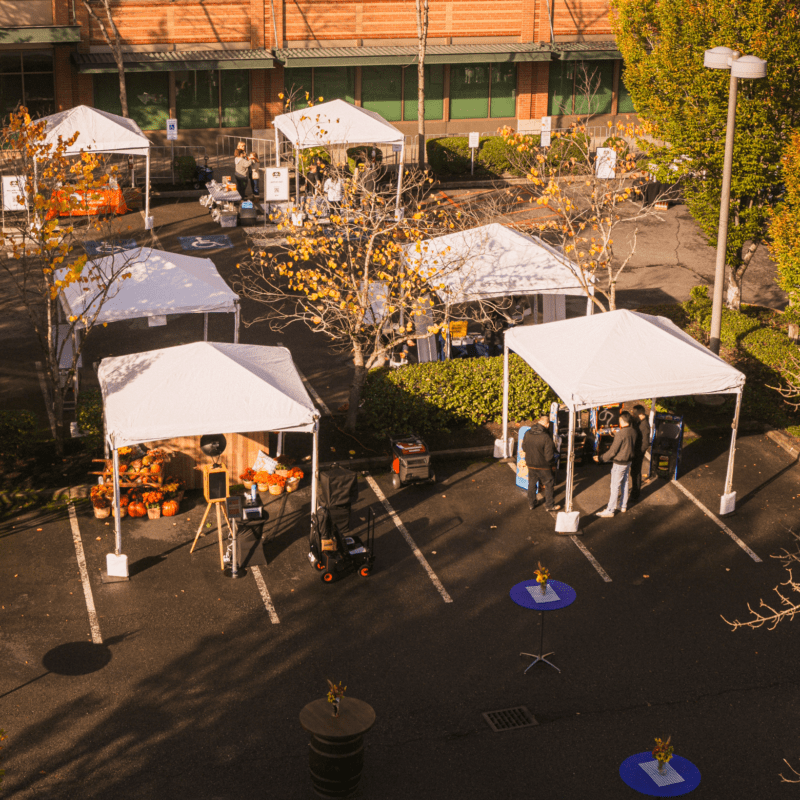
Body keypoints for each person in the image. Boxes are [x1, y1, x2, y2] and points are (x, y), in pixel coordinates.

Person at [593, 410, 637, 517]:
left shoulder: (620, 434)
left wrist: (601, 458)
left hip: (619, 463)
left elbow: (612, 451)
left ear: (621, 420)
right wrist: (616, 436)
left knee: (614, 486)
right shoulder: (633, 431)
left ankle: (610, 509)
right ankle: (623, 505)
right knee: (625, 483)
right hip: (628, 461)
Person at [521, 415, 561, 512]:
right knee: (549, 483)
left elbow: (524, 448)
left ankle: (532, 504)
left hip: (530, 463)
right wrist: (552, 463)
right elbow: (549, 457)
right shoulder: (546, 437)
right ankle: (549, 505)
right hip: (543, 466)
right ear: (547, 424)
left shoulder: (527, 433)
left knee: (531, 483)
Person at [629, 404, 651, 499]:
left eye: (635, 413)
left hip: (638, 453)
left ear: (640, 413)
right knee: (633, 472)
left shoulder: (644, 425)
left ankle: (635, 493)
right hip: (636, 451)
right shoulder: (639, 421)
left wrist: (639, 453)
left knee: (636, 472)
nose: (633, 415)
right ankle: (635, 490)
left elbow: (645, 443)